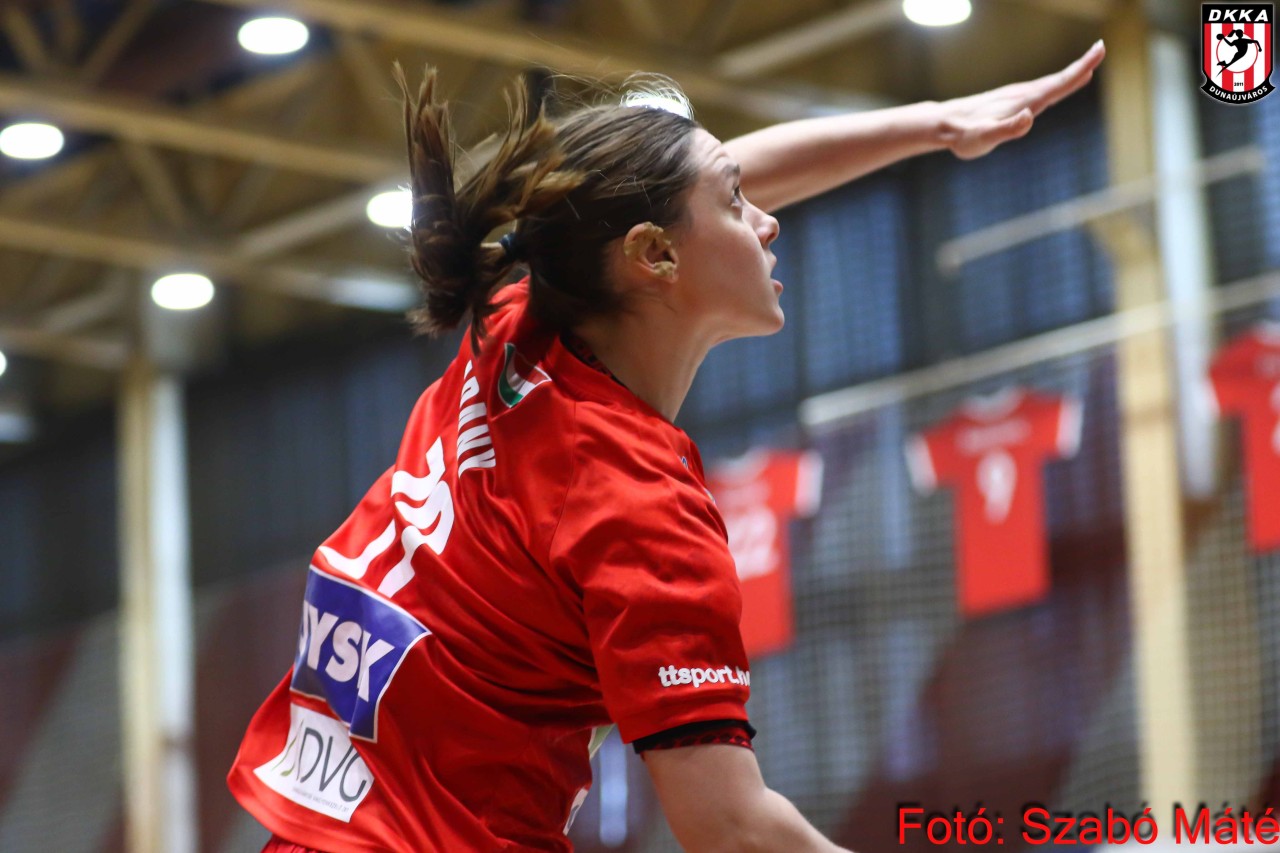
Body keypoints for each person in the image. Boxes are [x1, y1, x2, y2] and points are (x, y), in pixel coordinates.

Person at [228, 40, 1106, 853]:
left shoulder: (523, 318)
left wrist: (938, 124)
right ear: (653, 259)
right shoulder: (638, 506)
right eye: (738, 203)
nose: (768, 221)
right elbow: (730, 826)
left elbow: (662, 198)